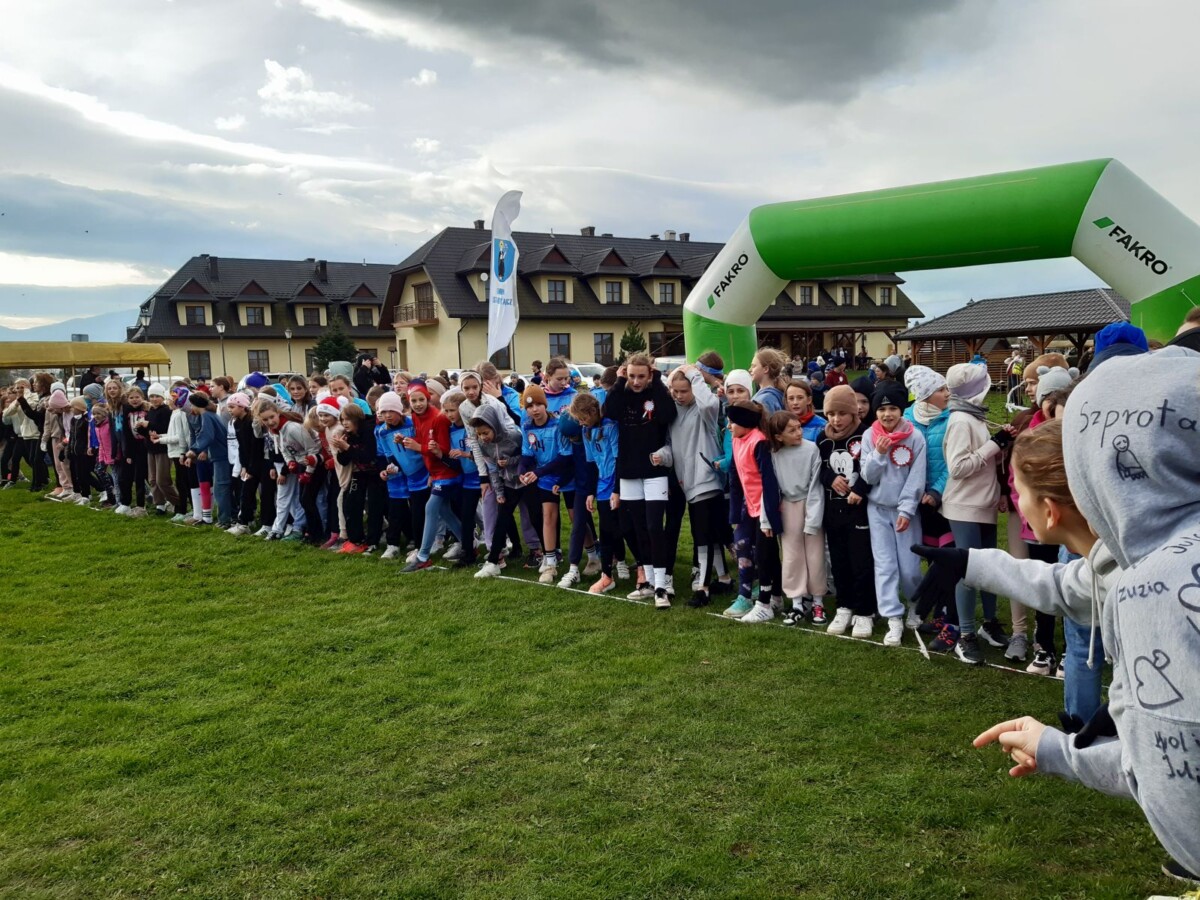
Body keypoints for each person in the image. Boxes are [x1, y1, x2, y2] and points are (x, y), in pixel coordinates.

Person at [973, 347, 1200, 883]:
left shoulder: (1153, 584)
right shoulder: (1152, 555)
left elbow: (1174, 776)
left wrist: (1061, 751)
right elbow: (1068, 585)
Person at [939, 362, 1013, 662]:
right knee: (968, 573)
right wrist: (994, 445)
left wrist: (1001, 445)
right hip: (965, 506)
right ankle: (966, 634)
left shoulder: (974, 416)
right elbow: (958, 468)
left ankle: (989, 624)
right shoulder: (960, 420)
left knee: (989, 568)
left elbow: (982, 460)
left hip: (984, 504)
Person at [602, 353, 678, 608]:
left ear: (650, 375)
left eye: (641, 376)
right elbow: (609, 411)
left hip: (655, 471)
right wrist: (618, 382)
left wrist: (655, 383)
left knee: (655, 526)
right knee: (636, 528)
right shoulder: (622, 393)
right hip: (628, 471)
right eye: (632, 376)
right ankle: (648, 583)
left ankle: (661, 586)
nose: (636, 381)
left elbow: (668, 415)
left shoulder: (657, 392)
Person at [859, 380, 926, 648]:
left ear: (901, 410)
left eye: (893, 409)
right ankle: (892, 616)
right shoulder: (869, 436)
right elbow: (868, 476)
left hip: (905, 512)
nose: (887, 414)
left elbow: (916, 477)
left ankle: (915, 604)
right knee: (885, 565)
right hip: (877, 510)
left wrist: (907, 509)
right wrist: (878, 453)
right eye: (881, 409)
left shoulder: (915, 437)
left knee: (909, 567)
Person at [816, 385, 876, 637]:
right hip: (833, 510)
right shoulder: (822, 438)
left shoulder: (866, 435)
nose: (836, 419)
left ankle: (865, 611)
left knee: (861, 561)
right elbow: (818, 468)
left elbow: (874, 467)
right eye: (831, 414)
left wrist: (859, 488)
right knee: (839, 560)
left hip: (859, 510)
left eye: (842, 413)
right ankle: (844, 606)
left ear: (853, 412)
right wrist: (830, 478)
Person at [667, 365, 726, 608]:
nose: (679, 396)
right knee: (713, 533)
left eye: (684, 391)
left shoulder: (705, 410)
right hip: (687, 481)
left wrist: (694, 374)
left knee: (701, 535)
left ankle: (703, 588)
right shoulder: (672, 411)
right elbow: (672, 446)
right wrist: (662, 456)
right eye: (675, 391)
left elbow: (710, 404)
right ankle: (724, 577)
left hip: (706, 479)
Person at [726, 401, 783, 624]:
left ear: (745, 423)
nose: (729, 426)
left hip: (765, 509)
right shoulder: (737, 439)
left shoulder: (759, 441)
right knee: (748, 547)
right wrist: (734, 513)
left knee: (765, 554)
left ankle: (767, 602)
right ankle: (768, 596)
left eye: (732, 422)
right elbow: (735, 476)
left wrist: (768, 518)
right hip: (749, 507)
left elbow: (768, 482)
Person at [768, 410, 827, 626]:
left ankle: (818, 602)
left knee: (815, 555)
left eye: (799, 427)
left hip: (810, 504)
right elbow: (770, 489)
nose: (798, 433)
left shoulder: (811, 449)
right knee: (792, 556)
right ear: (778, 436)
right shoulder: (774, 454)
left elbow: (816, 485)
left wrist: (813, 519)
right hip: (787, 507)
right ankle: (797, 603)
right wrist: (767, 519)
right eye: (792, 430)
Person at [401, 381, 462, 572]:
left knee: (431, 507)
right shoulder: (415, 416)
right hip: (436, 472)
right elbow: (423, 441)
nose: (418, 404)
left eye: (421, 399)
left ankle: (423, 556)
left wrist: (418, 447)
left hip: (447, 472)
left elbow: (443, 449)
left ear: (428, 399)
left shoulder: (439, 418)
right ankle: (468, 543)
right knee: (444, 511)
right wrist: (408, 442)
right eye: (414, 401)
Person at [517, 384, 568, 584]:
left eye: (538, 404)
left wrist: (538, 472)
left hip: (564, 474)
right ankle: (550, 560)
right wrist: (521, 471)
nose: (534, 409)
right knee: (544, 515)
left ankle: (592, 553)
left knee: (577, 517)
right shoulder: (527, 426)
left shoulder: (558, 425)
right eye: (530, 406)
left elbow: (564, 457)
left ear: (545, 405)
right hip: (544, 477)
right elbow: (527, 454)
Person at [472, 402, 527, 580]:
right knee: (501, 520)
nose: (483, 437)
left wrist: (510, 462)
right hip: (509, 484)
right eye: (479, 434)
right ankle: (493, 562)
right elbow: (493, 470)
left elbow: (527, 457)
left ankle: (548, 555)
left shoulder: (515, 436)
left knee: (535, 517)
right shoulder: (482, 444)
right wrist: (499, 492)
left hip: (528, 482)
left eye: (486, 433)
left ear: (495, 426)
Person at [330, 402, 378, 554]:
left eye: (348, 419)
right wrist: (341, 448)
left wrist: (347, 448)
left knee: (374, 507)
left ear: (357, 419)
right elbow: (344, 461)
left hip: (376, 473)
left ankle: (373, 541)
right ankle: (355, 540)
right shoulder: (348, 435)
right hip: (360, 473)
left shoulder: (369, 431)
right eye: (342, 420)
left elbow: (368, 457)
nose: (345, 423)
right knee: (350, 503)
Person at [144, 384, 181, 516]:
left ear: (162, 397)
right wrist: (141, 428)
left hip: (163, 448)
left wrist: (148, 425)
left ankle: (177, 502)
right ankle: (159, 503)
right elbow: (148, 432)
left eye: (157, 396)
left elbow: (165, 429)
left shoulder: (166, 411)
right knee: (153, 479)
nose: (154, 399)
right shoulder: (150, 411)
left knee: (162, 479)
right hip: (151, 448)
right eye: (152, 396)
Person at [749, 347, 789, 413]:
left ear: (766, 369)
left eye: (754, 366)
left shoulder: (765, 400)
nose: (750, 369)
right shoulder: (775, 394)